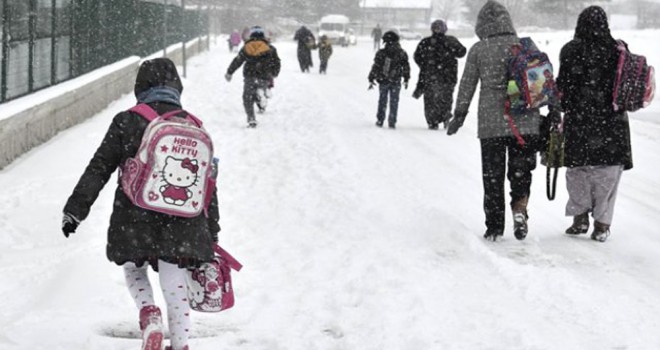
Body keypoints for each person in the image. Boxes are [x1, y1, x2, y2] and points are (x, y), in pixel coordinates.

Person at [61, 58, 221, 350]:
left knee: (135, 268)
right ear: (176, 87)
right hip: (183, 219)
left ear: (140, 86)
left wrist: (75, 209)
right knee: (174, 279)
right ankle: (182, 344)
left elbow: (100, 167)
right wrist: (212, 228)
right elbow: (207, 183)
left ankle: (149, 316)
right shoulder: (191, 124)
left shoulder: (127, 120)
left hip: (134, 216)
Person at [446, 1, 557, 241]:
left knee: (493, 176)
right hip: (525, 122)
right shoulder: (525, 46)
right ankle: (520, 209)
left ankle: (495, 226)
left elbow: (467, 85)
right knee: (521, 171)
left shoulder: (479, 49)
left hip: (491, 123)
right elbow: (542, 81)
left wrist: (459, 115)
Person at [556, 6, 633, 242]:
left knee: (578, 170)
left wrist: (565, 107)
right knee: (608, 173)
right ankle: (602, 224)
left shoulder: (570, 50)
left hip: (580, 119)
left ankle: (580, 217)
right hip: (612, 122)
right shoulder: (618, 50)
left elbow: (563, 88)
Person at [413, 19, 466, 130]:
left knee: (433, 100)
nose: (437, 30)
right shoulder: (448, 40)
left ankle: (435, 120)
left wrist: (425, 65)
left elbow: (417, 56)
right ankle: (442, 117)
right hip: (446, 76)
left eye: (438, 28)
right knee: (443, 98)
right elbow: (461, 52)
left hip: (435, 77)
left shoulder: (427, 42)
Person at [225, 26, 281, 128]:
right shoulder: (270, 48)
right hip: (264, 76)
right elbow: (276, 62)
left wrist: (229, 72)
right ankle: (262, 95)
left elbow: (237, 61)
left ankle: (251, 119)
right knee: (260, 89)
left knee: (247, 97)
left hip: (250, 75)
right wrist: (274, 73)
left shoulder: (246, 47)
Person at [368, 30, 410, 129]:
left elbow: (376, 66)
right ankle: (392, 121)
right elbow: (406, 66)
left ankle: (380, 119)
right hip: (396, 80)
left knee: (382, 100)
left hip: (383, 80)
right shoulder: (401, 53)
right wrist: (406, 78)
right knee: (394, 101)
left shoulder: (382, 53)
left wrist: (371, 77)